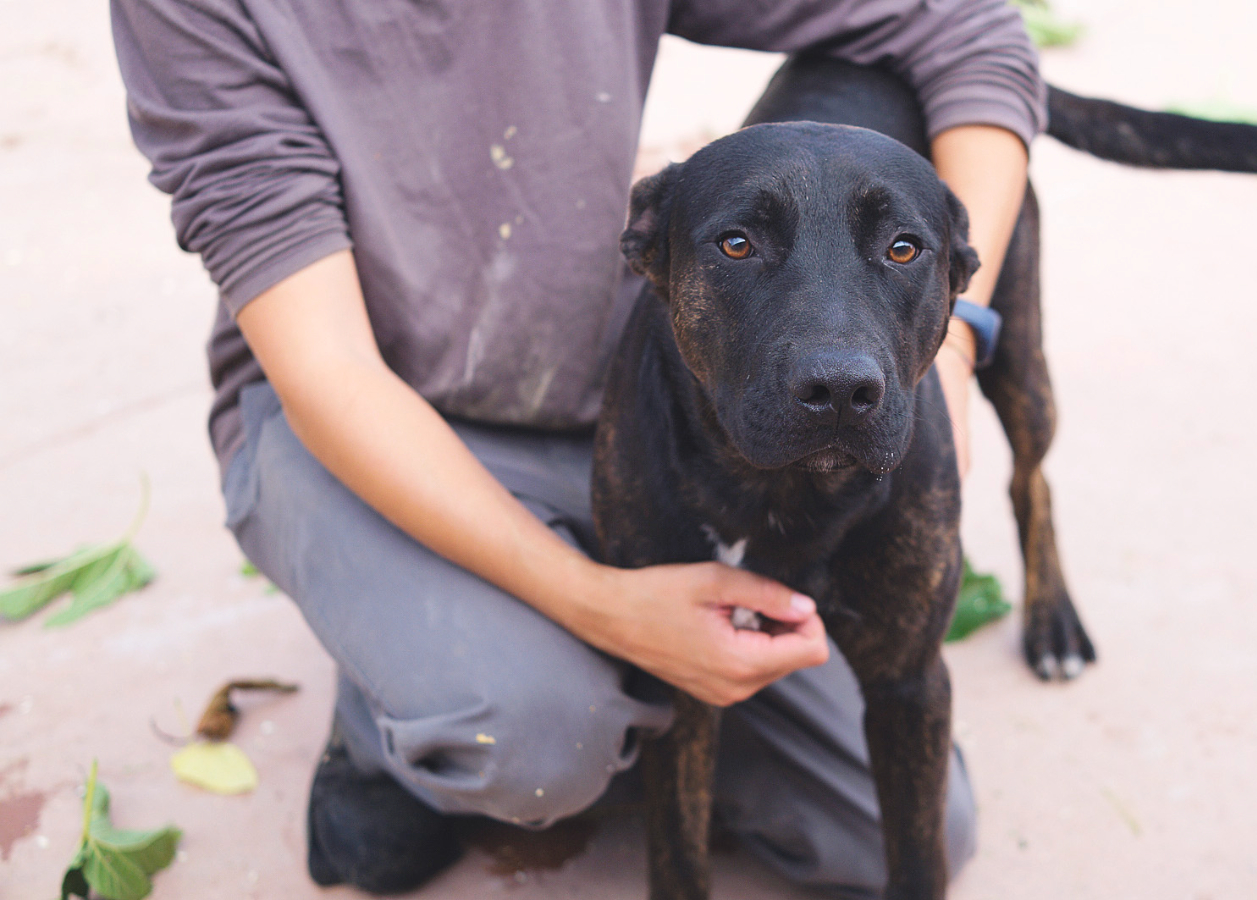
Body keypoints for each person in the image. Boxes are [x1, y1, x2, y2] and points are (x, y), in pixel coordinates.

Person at [111, 1, 1042, 895]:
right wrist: (602, 607)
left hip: (592, 395)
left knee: (896, 837)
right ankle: (395, 688)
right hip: (363, 408)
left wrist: (958, 342)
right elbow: (330, 370)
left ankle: (499, 665)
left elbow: (967, 26)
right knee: (527, 738)